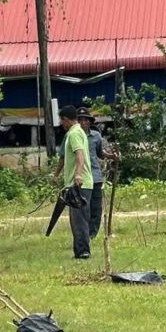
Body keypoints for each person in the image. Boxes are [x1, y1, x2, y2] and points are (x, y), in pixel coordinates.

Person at [53, 106, 112, 239]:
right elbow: (63, 157)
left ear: (90, 122)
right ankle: (85, 236)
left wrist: (111, 156)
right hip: (80, 179)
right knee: (82, 210)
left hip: (94, 176)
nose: (84, 122)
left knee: (95, 208)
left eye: (86, 120)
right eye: (81, 120)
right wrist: (56, 174)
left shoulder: (95, 135)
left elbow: (100, 153)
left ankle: (91, 235)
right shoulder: (71, 135)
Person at [56, 104, 94, 259]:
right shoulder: (79, 132)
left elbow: (80, 155)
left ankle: (83, 251)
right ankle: (79, 250)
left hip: (79, 183)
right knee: (77, 218)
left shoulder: (74, 134)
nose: (61, 124)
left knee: (79, 219)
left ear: (66, 119)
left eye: (61, 121)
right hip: (80, 183)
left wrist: (78, 175)